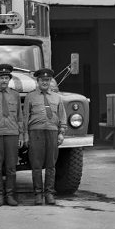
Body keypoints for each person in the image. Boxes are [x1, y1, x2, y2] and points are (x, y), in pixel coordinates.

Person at [0, 63, 26, 206]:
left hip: (12, 134)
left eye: (6, 78)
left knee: (11, 168)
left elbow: (20, 117)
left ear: (10, 79)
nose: (4, 81)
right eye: (1, 78)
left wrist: (20, 136)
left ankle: (10, 196)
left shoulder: (15, 95)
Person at [24, 67, 66, 205]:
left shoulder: (57, 97)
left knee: (51, 165)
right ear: (38, 81)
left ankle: (49, 193)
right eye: (42, 80)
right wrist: (25, 135)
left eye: (47, 80)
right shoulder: (30, 97)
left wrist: (61, 133)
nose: (45, 82)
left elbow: (62, 117)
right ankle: (38, 194)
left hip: (52, 132)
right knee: (36, 165)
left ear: (50, 81)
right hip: (35, 133)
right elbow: (25, 118)